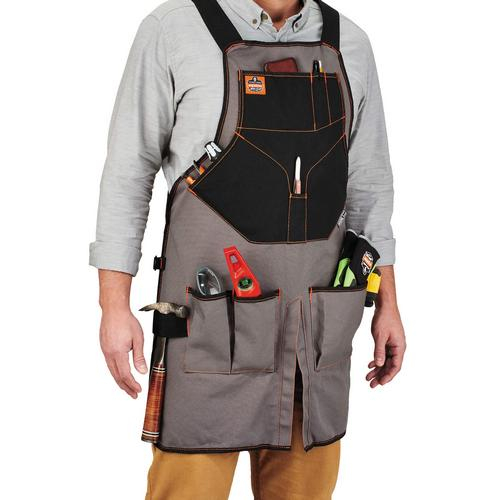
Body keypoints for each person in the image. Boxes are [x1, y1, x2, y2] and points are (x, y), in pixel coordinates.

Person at [90, 0, 406, 498]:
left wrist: (388, 303)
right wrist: (114, 305)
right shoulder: (173, 30)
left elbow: (368, 189)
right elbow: (128, 174)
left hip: (312, 343)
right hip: (207, 338)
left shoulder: (351, 43)